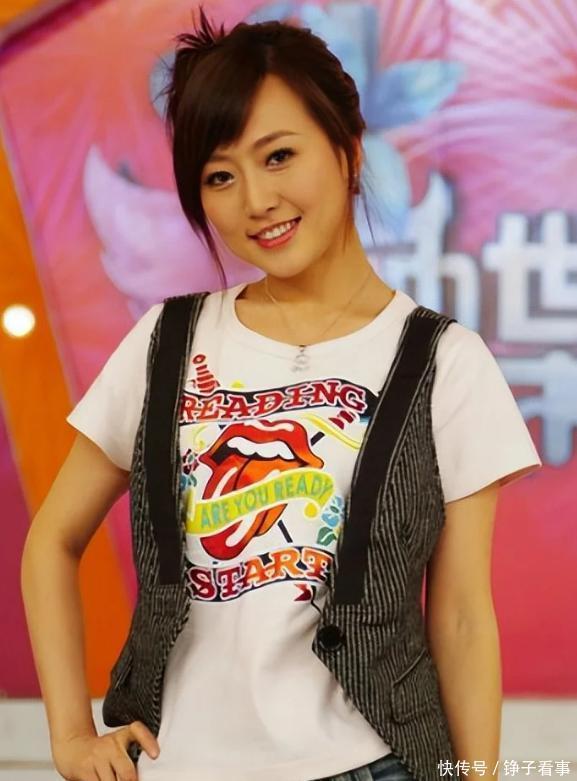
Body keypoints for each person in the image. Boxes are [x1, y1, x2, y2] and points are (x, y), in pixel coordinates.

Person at [21, 8, 542, 781]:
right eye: (219, 176)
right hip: (174, 763)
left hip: (372, 762)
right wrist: (69, 736)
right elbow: (52, 542)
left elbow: (462, 616)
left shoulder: (445, 363)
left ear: (348, 148)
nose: (255, 199)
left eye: (278, 156)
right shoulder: (168, 343)